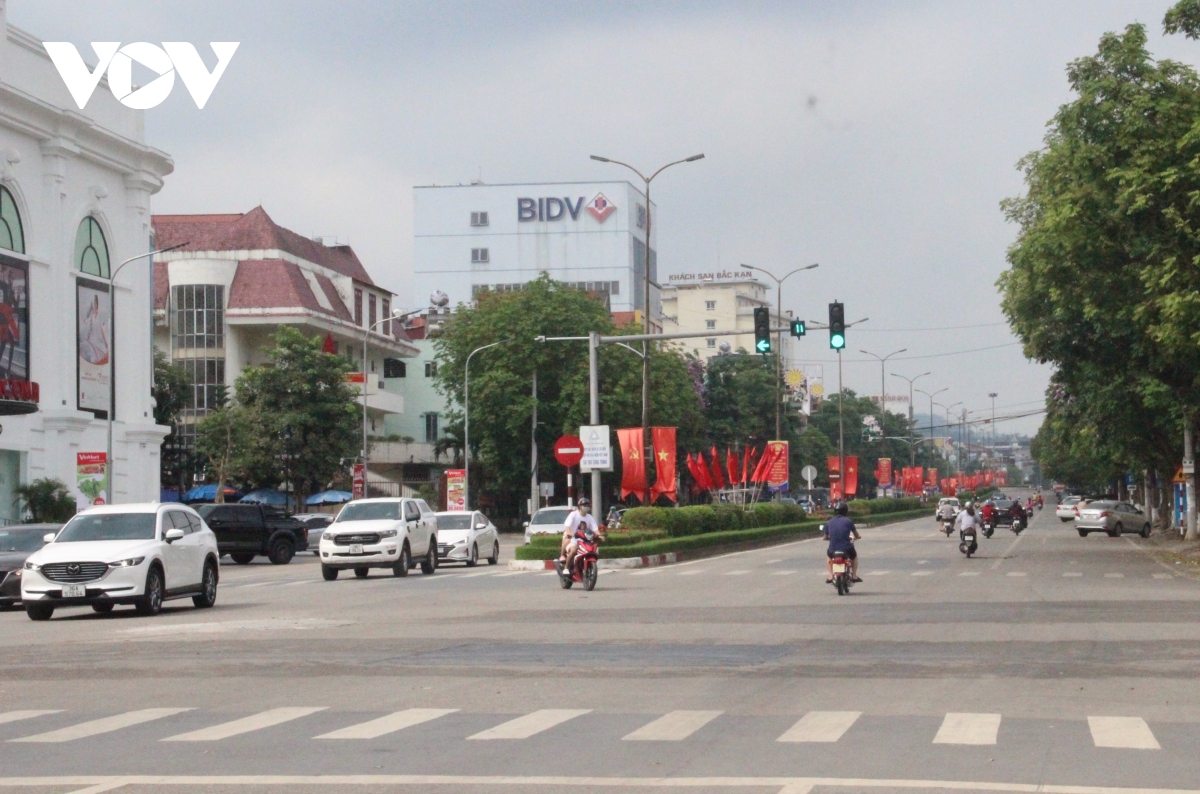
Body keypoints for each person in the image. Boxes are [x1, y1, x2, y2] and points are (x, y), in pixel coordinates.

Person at [558, 497, 601, 574]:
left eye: (588, 505)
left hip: (584, 539)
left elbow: (595, 529)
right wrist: (570, 533)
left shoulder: (590, 517)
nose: (586, 507)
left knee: (591, 551)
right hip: (572, 538)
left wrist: (600, 535)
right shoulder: (573, 515)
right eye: (584, 505)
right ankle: (566, 568)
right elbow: (567, 527)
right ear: (579, 506)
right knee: (574, 550)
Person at [824, 501, 862, 583]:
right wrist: (857, 537)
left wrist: (827, 538)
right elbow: (856, 534)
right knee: (854, 557)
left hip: (833, 549)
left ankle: (830, 575)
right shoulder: (848, 521)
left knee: (829, 557)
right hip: (846, 548)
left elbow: (825, 537)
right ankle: (854, 576)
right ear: (846, 511)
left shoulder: (829, 522)